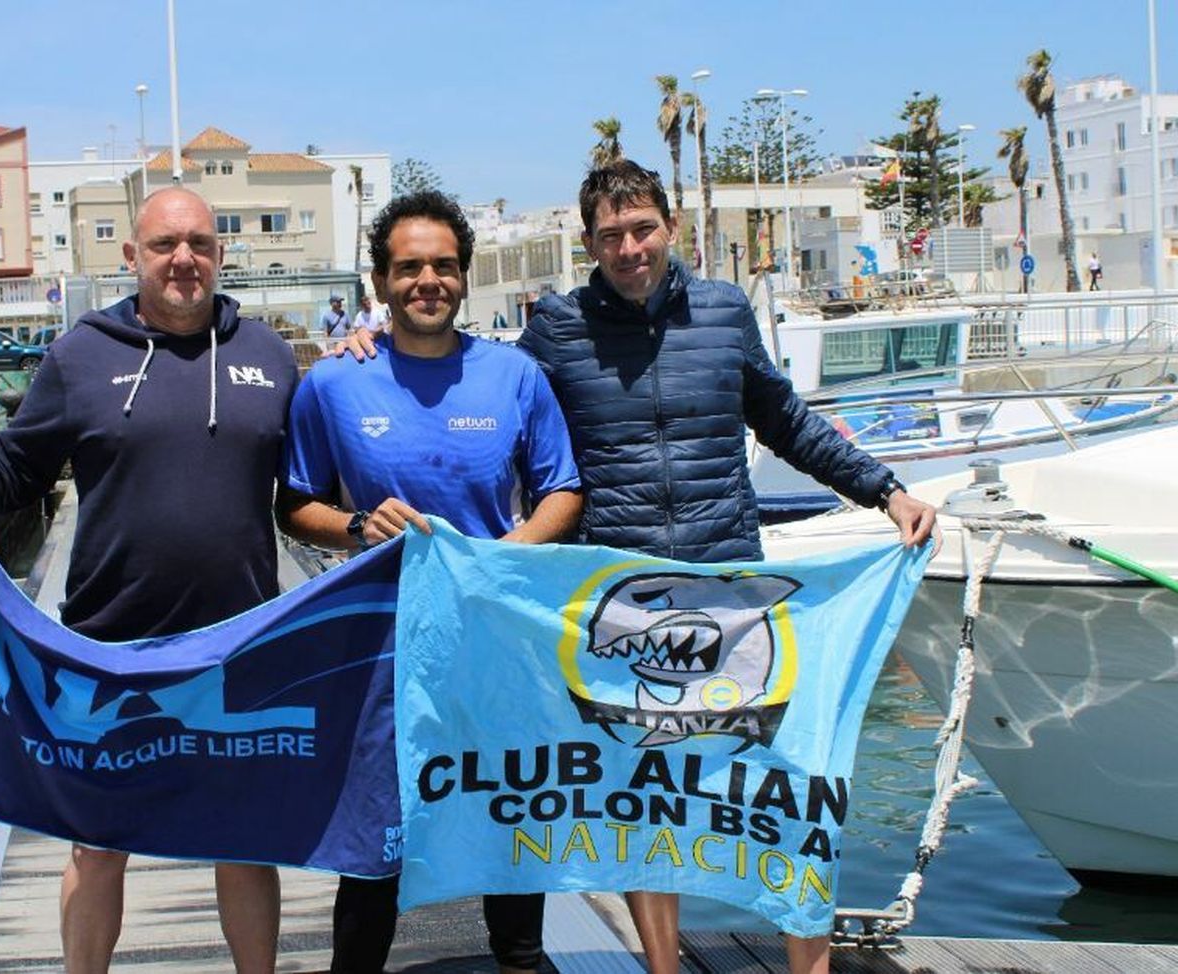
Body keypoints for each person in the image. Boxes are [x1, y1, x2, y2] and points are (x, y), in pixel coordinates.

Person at [336, 161, 937, 974]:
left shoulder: (725, 313)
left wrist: (885, 492)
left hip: (732, 586)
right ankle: (661, 969)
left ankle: (809, 968)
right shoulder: (556, 328)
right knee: (644, 796)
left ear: (671, 227)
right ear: (589, 242)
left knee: (787, 783)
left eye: (642, 228)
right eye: (611, 235)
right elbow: (475, 375)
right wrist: (368, 345)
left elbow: (788, 421)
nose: (629, 248)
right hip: (618, 598)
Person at [0, 187, 297, 974]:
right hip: (109, 652)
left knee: (244, 842)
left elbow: (309, 485)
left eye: (201, 243)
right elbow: (16, 461)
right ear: (130, 257)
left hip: (240, 649)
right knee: (98, 848)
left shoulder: (268, 356)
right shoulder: (79, 356)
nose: (184, 259)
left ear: (221, 255)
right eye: (165, 245)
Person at [277, 191, 584, 974]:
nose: (428, 281)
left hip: (493, 635)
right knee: (376, 831)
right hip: (381, 643)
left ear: (463, 277)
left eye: (444, 266)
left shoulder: (515, 375)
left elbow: (563, 489)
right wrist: (352, 527)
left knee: (507, 814)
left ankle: (520, 961)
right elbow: (294, 504)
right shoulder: (334, 384)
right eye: (409, 266)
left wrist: (506, 556)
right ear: (380, 281)